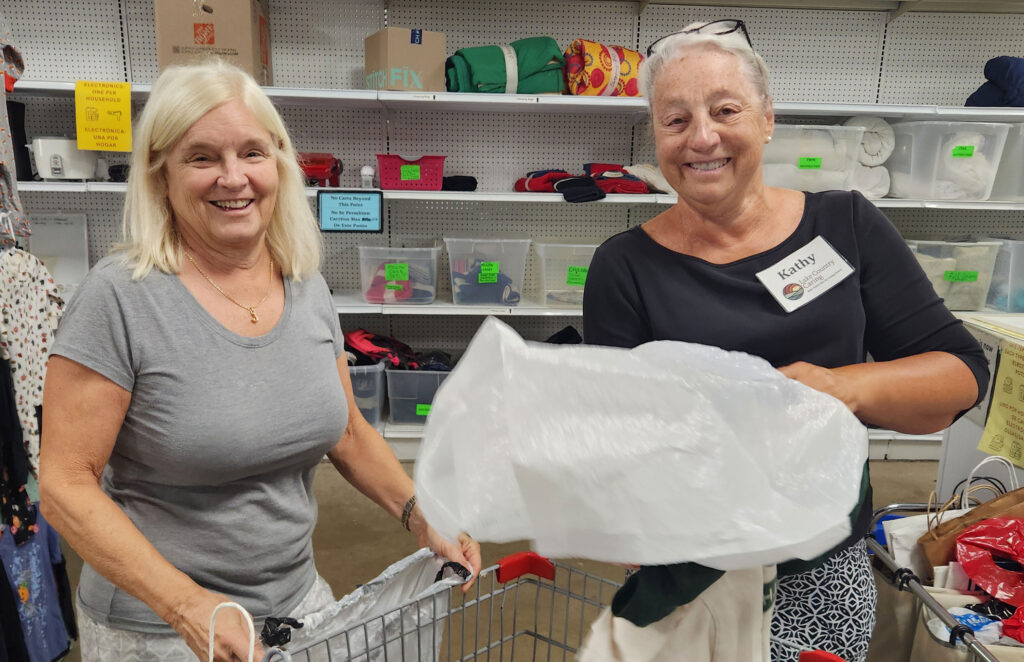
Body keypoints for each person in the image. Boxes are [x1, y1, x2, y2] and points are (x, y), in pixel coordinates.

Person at [38, 60, 480, 662]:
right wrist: (188, 606)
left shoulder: (304, 283)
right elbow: (65, 486)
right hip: (161, 628)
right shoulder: (118, 298)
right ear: (160, 173)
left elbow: (348, 430)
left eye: (252, 152)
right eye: (201, 158)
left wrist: (420, 514)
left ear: (279, 163)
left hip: (297, 606)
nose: (233, 177)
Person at [582, 20, 989, 662]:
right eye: (675, 119)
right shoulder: (625, 266)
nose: (703, 137)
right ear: (656, 135)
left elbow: (959, 376)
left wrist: (842, 386)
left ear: (767, 119)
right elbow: (614, 439)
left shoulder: (845, 226)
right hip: (693, 578)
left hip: (821, 568)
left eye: (725, 110)